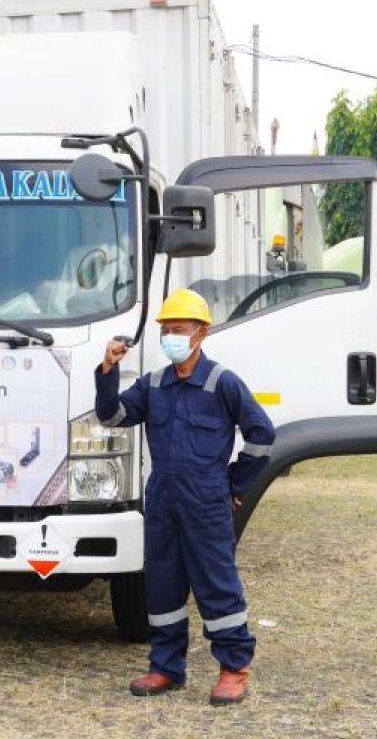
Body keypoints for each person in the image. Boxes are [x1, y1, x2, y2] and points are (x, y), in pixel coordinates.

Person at [94, 288, 275, 705]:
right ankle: (166, 667)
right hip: (163, 499)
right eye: (165, 330)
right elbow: (112, 416)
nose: (170, 337)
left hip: (207, 500)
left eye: (178, 330)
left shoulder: (221, 383)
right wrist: (107, 369)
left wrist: (234, 484)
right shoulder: (153, 385)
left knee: (217, 585)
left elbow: (262, 437)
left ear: (201, 333)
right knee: (162, 586)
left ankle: (233, 669)